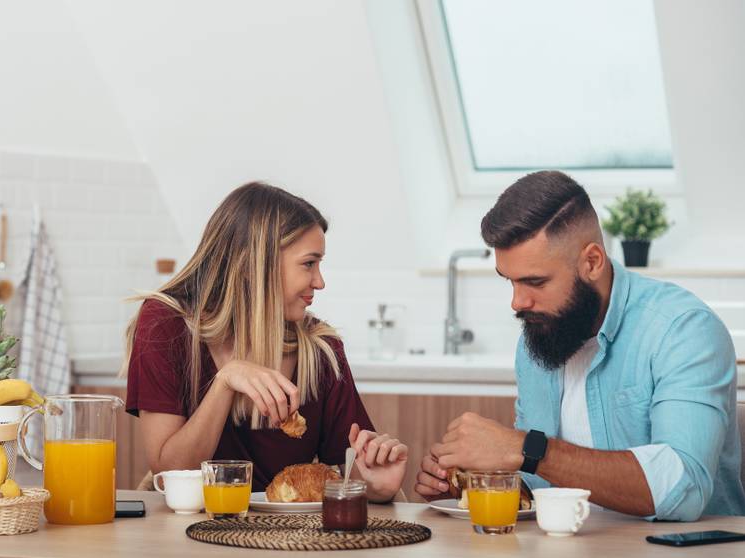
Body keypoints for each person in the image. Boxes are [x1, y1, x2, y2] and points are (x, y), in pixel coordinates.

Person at [415, 170, 745, 520]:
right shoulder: (540, 338)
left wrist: (526, 448)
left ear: (592, 262)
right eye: (510, 281)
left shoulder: (682, 331)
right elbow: (540, 486)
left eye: (535, 281)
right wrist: (473, 483)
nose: (517, 302)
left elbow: (685, 489)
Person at [125, 182, 407, 501]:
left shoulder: (321, 349)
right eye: (309, 263)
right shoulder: (166, 324)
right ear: (256, 263)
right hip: (187, 536)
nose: (320, 281)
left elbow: (347, 464)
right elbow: (170, 474)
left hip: (288, 541)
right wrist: (226, 382)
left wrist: (377, 486)